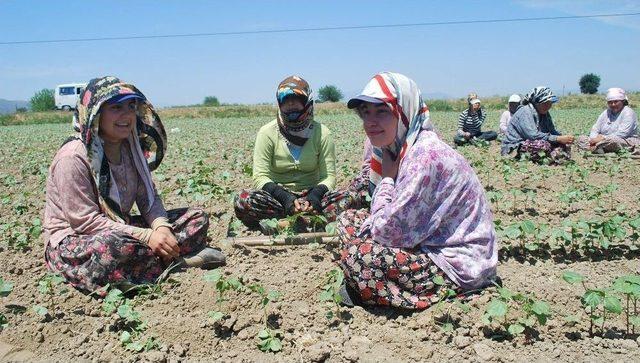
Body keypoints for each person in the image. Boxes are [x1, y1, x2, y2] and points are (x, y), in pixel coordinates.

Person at [43, 76, 225, 295]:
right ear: (95, 113)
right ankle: (177, 262)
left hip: (120, 226)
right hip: (77, 242)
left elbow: (148, 200)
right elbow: (85, 223)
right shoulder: (73, 158)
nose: (126, 115)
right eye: (116, 107)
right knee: (113, 248)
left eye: (131, 107)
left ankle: (151, 263)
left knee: (196, 218)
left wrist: (161, 228)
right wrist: (148, 237)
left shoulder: (131, 149)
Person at [337, 72, 498, 309]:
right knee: (347, 220)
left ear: (404, 111)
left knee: (359, 257)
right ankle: (369, 284)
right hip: (429, 237)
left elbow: (385, 232)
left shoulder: (424, 156)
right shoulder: (401, 146)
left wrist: (387, 180)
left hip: (460, 262)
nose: (370, 121)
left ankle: (393, 292)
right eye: (365, 112)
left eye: (382, 111)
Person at [235, 75, 354, 229]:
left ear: (307, 102)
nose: (290, 103)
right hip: (278, 198)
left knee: (347, 198)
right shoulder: (267, 133)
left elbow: (329, 177)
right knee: (243, 200)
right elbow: (259, 177)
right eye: (285, 99)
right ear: (279, 103)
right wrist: (285, 198)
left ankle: (285, 223)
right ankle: (309, 221)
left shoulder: (322, 133)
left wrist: (315, 196)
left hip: (312, 197)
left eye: (296, 98)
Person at [501, 86, 574, 163]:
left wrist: (563, 137)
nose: (548, 106)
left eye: (550, 103)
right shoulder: (525, 112)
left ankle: (552, 156)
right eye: (545, 103)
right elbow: (532, 136)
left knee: (563, 144)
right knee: (542, 146)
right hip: (515, 146)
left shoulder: (544, 113)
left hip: (533, 142)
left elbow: (552, 131)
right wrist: (557, 138)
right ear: (536, 102)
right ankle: (550, 157)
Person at [576, 88, 639, 154]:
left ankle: (597, 149)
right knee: (581, 138)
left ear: (622, 101)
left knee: (612, 141)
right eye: (610, 102)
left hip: (624, 140)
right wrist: (593, 139)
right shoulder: (606, 112)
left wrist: (603, 138)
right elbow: (595, 128)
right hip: (601, 141)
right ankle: (598, 148)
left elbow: (622, 133)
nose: (613, 104)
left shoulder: (628, 113)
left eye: (616, 101)